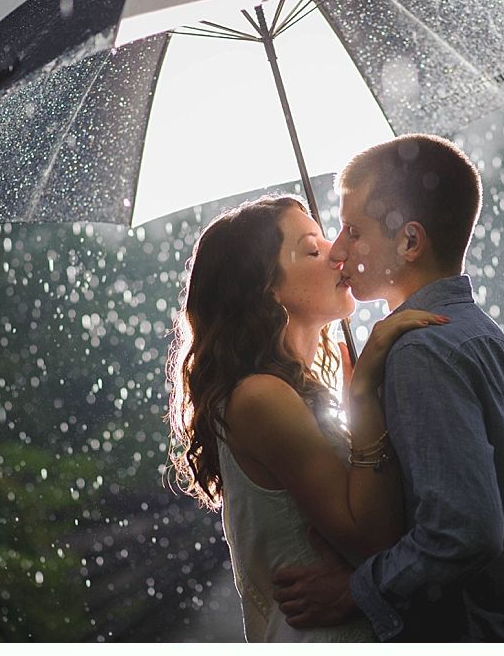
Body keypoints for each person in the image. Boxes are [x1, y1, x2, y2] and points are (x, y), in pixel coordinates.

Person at [271, 134, 504, 641]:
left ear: (410, 242)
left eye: (353, 230)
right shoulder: (481, 334)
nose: (339, 250)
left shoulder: (420, 352)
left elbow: (463, 531)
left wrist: (355, 589)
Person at [166, 194, 447, 642]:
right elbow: (372, 538)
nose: (337, 254)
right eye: (312, 250)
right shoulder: (260, 397)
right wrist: (366, 399)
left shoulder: (295, 392)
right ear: (264, 287)